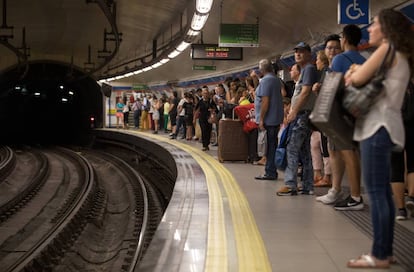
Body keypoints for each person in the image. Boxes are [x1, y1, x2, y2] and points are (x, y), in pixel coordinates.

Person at [345, 9, 413, 268]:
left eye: (373, 24)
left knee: (376, 192)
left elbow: (357, 79)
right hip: (389, 125)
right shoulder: (401, 55)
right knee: (382, 192)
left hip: (377, 126)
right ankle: (385, 251)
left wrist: (353, 73)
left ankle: (379, 255)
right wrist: (357, 71)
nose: (369, 29)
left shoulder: (387, 50)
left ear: (387, 28)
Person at [316, 25, 366, 211]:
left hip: (341, 112)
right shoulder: (363, 59)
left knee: (347, 152)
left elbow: (332, 88)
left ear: (344, 39)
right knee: (341, 151)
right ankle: (338, 190)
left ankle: (355, 196)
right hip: (357, 112)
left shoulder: (339, 59)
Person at [276, 42, 317, 195]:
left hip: (302, 115)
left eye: (301, 52)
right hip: (304, 115)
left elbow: (305, 92)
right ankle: (307, 185)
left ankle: (290, 184)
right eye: (296, 52)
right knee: (305, 151)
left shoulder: (308, 69)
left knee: (292, 148)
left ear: (308, 53)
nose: (298, 54)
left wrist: (294, 111)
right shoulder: (307, 70)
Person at [254, 58, 284, 181]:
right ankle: (271, 170)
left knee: (269, 147)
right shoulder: (276, 80)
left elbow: (265, 101)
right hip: (276, 118)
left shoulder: (266, 81)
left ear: (262, 69)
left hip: (269, 119)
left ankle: (270, 172)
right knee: (272, 145)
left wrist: (261, 118)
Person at [194, 87, 217, 151]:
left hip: (209, 118)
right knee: (203, 130)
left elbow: (216, 109)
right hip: (202, 118)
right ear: (202, 94)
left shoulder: (211, 101)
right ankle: (204, 145)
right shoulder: (200, 101)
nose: (205, 94)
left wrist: (212, 110)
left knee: (208, 131)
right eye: (204, 93)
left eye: (207, 93)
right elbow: (196, 110)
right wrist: (194, 119)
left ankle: (207, 144)